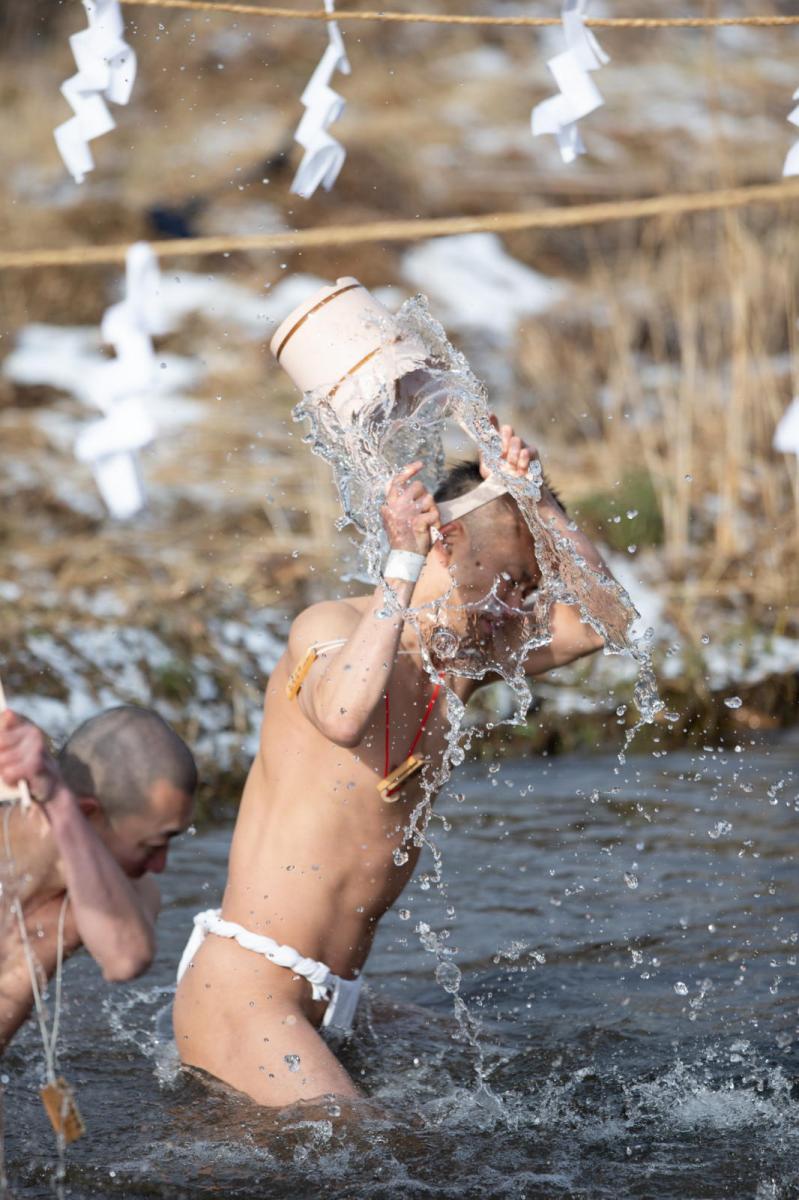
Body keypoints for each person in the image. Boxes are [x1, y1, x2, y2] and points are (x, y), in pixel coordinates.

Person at [173, 420, 623, 1107]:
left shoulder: (464, 660)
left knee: (522, 1084)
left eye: (531, 585)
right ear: (446, 544)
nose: (524, 603)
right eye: (511, 580)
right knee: (375, 1156)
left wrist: (539, 502)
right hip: (251, 989)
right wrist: (400, 565)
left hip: (339, 993)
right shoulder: (326, 627)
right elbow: (345, 714)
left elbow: (602, 623)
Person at [0, 705, 196, 1052]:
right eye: (152, 845)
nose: (161, 865)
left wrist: (59, 803)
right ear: (89, 812)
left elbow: (126, 959)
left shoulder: (126, 897)